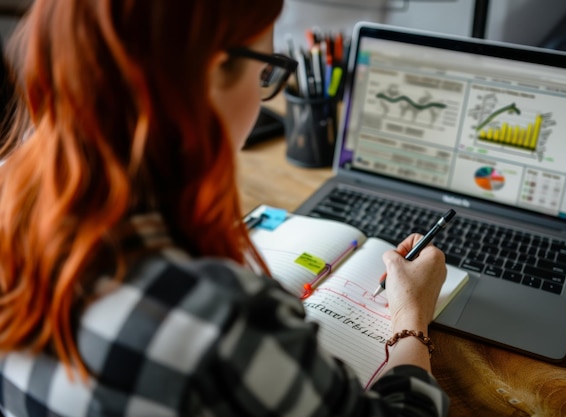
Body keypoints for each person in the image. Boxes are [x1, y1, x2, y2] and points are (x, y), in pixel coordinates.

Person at [0, 1, 449, 416]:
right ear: (214, 74)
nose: (263, 91)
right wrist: (412, 316)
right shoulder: (219, 320)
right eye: (267, 72)